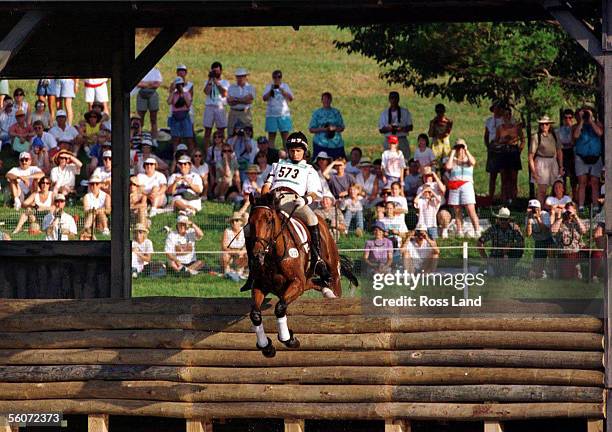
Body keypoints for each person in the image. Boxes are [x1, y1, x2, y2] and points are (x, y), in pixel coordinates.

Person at [241, 131, 328, 292]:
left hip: (294, 201)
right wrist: (265, 197)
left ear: (304, 152)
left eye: (298, 150)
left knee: (312, 219)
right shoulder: (278, 164)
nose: (295, 153)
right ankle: (253, 269)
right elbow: (267, 184)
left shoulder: (309, 170)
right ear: (288, 151)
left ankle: (317, 261)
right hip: (273, 200)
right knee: (248, 228)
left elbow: (316, 193)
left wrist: (305, 200)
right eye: (293, 150)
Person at [445, 139, 481, 238]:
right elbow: (448, 166)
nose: (460, 149)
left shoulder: (468, 159)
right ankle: (459, 230)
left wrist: (466, 150)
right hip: (454, 185)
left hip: (466, 184)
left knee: (470, 209)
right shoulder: (453, 160)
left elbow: (473, 162)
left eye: (461, 147)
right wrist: (452, 153)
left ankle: (477, 230)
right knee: (457, 210)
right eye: (458, 147)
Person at [572, 106, 603, 212]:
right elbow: (575, 136)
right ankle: (580, 206)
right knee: (582, 182)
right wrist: (581, 121)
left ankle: (595, 206)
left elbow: (600, 133)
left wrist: (590, 120)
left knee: (595, 182)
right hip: (581, 157)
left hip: (595, 157)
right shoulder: (576, 126)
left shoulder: (597, 124)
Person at [477, 207, 524, 276]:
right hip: (495, 256)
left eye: (505, 219)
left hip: (510, 256)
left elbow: (522, 243)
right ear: (498, 219)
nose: (503, 221)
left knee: (519, 251)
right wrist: (486, 259)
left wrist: (511, 245)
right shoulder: (493, 229)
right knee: (493, 274)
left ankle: (510, 267)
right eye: (501, 219)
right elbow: (479, 242)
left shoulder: (514, 228)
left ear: (509, 220)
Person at [528, 115, 562, 205]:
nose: (544, 126)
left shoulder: (554, 135)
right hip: (541, 162)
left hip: (553, 161)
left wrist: (561, 166)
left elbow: (559, 151)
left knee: (556, 188)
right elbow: (531, 155)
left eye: (546, 124)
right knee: (542, 189)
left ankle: (554, 209)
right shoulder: (536, 137)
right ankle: (540, 209)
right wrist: (533, 171)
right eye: (542, 124)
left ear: (549, 125)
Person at [495, 105, 525, 204]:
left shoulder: (516, 127)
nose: (507, 116)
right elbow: (496, 141)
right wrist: (502, 141)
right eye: (505, 115)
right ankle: (504, 200)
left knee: (513, 178)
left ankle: (514, 200)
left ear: (511, 115)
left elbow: (523, 140)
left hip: (513, 151)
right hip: (503, 151)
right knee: (504, 178)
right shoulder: (500, 128)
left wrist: (519, 151)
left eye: (508, 114)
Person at [550, 201, 587, 279]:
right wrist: (562, 218)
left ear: (575, 210)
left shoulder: (578, 222)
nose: (569, 213)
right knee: (566, 276)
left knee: (573, 276)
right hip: (563, 252)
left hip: (575, 252)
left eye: (571, 210)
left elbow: (584, 231)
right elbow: (553, 230)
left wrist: (575, 216)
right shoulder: (560, 222)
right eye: (567, 210)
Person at [309, 92, 346, 159]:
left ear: (331, 100)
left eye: (328, 99)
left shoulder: (336, 112)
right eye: (324, 99)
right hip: (320, 143)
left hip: (335, 143)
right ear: (322, 100)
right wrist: (324, 129)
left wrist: (334, 128)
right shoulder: (317, 113)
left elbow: (342, 127)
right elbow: (311, 129)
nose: (326, 101)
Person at [202, 61, 229, 152]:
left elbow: (224, 93)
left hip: (220, 106)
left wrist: (217, 82)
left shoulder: (225, 82)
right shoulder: (208, 81)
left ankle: (222, 150)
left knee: (221, 130)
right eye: (214, 71)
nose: (215, 73)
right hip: (209, 106)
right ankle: (207, 152)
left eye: (217, 71)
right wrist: (210, 80)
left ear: (221, 71)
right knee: (207, 131)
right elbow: (206, 92)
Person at [262, 70, 294, 147]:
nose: (277, 79)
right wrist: (271, 91)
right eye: (275, 77)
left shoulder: (285, 86)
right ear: (273, 78)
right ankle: (272, 156)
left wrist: (282, 90)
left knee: (285, 138)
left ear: (281, 77)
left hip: (284, 115)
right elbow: (264, 98)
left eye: (279, 77)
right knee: (271, 137)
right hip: (271, 115)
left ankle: (287, 156)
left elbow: (291, 98)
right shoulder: (269, 86)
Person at [378, 91, 412, 157]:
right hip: (389, 139)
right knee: (389, 160)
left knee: (404, 159)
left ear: (398, 99)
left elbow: (410, 127)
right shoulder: (384, 113)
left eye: (395, 98)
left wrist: (402, 128)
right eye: (392, 98)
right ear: (389, 99)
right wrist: (389, 128)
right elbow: (381, 130)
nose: (394, 100)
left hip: (401, 138)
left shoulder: (405, 112)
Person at [525, 199, 552, 279]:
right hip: (538, 241)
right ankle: (539, 272)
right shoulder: (528, 217)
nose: (533, 210)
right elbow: (528, 234)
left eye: (534, 208)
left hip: (548, 240)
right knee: (537, 263)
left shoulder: (545, 214)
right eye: (531, 208)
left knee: (549, 255)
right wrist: (529, 222)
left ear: (539, 208)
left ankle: (551, 271)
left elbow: (545, 229)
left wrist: (538, 218)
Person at [167, 76, 195, 152]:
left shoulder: (187, 93)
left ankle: (191, 156)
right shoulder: (174, 94)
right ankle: (175, 156)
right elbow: (169, 102)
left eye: (180, 84)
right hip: (175, 117)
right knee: (175, 139)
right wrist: (172, 91)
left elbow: (188, 104)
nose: (179, 86)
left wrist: (182, 93)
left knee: (189, 138)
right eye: (177, 85)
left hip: (185, 116)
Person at [484, 101, 504, 201]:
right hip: (492, 147)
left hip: (502, 147)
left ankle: (503, 196)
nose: (497, 110)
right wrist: (488, 146)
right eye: (496, 108)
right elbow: (486, 135)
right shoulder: (489, 121)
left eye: (499, 108)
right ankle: (491, 196)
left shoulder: (504, 120)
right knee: (492, 174)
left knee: (504, 174)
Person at [227, 68, 256, 136]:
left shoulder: (250, 87)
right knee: (231, 133)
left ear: (245, 77)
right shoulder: (231, 87)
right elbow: (230, 102)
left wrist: (235, 99)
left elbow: (249, 100)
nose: (240, 79)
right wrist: (243, 100)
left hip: (245, 112)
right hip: (233, 112)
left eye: (242, 76)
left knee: (247, 133)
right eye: (238, 77)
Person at [557, 108, 577, 201]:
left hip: (573, 154)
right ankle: (563, 197)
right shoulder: (559, 130)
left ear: (572, 118)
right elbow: (560, 144)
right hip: (563, 154)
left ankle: (575, 198)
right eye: (565, 118)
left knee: (574, 177)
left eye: (570, 118)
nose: (567, 120)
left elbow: (573, 142)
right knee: (563, 177)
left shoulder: (575, 129)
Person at [137, 67, 163, 140]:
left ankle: (154, 137)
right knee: (140, 117)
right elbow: (138, 84)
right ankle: (139, 136)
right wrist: (150, 84)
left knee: (153, 117)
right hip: (141, 94)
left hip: (152, 94)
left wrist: (145, 84)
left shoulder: (156, 71)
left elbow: (157, 84)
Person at [221, 212, 248, 277]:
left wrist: (243, 250)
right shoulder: (227, 231)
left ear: (241, 222)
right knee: (225, 255)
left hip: (241, 252)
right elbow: (224, 246)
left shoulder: (245, 231)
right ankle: (227, 271)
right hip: (230, 252)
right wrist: (234, 252)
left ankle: (241, 271)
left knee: (248, 255)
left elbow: (249, 244)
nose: (234, 223)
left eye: (236, 220)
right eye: (232, 221)